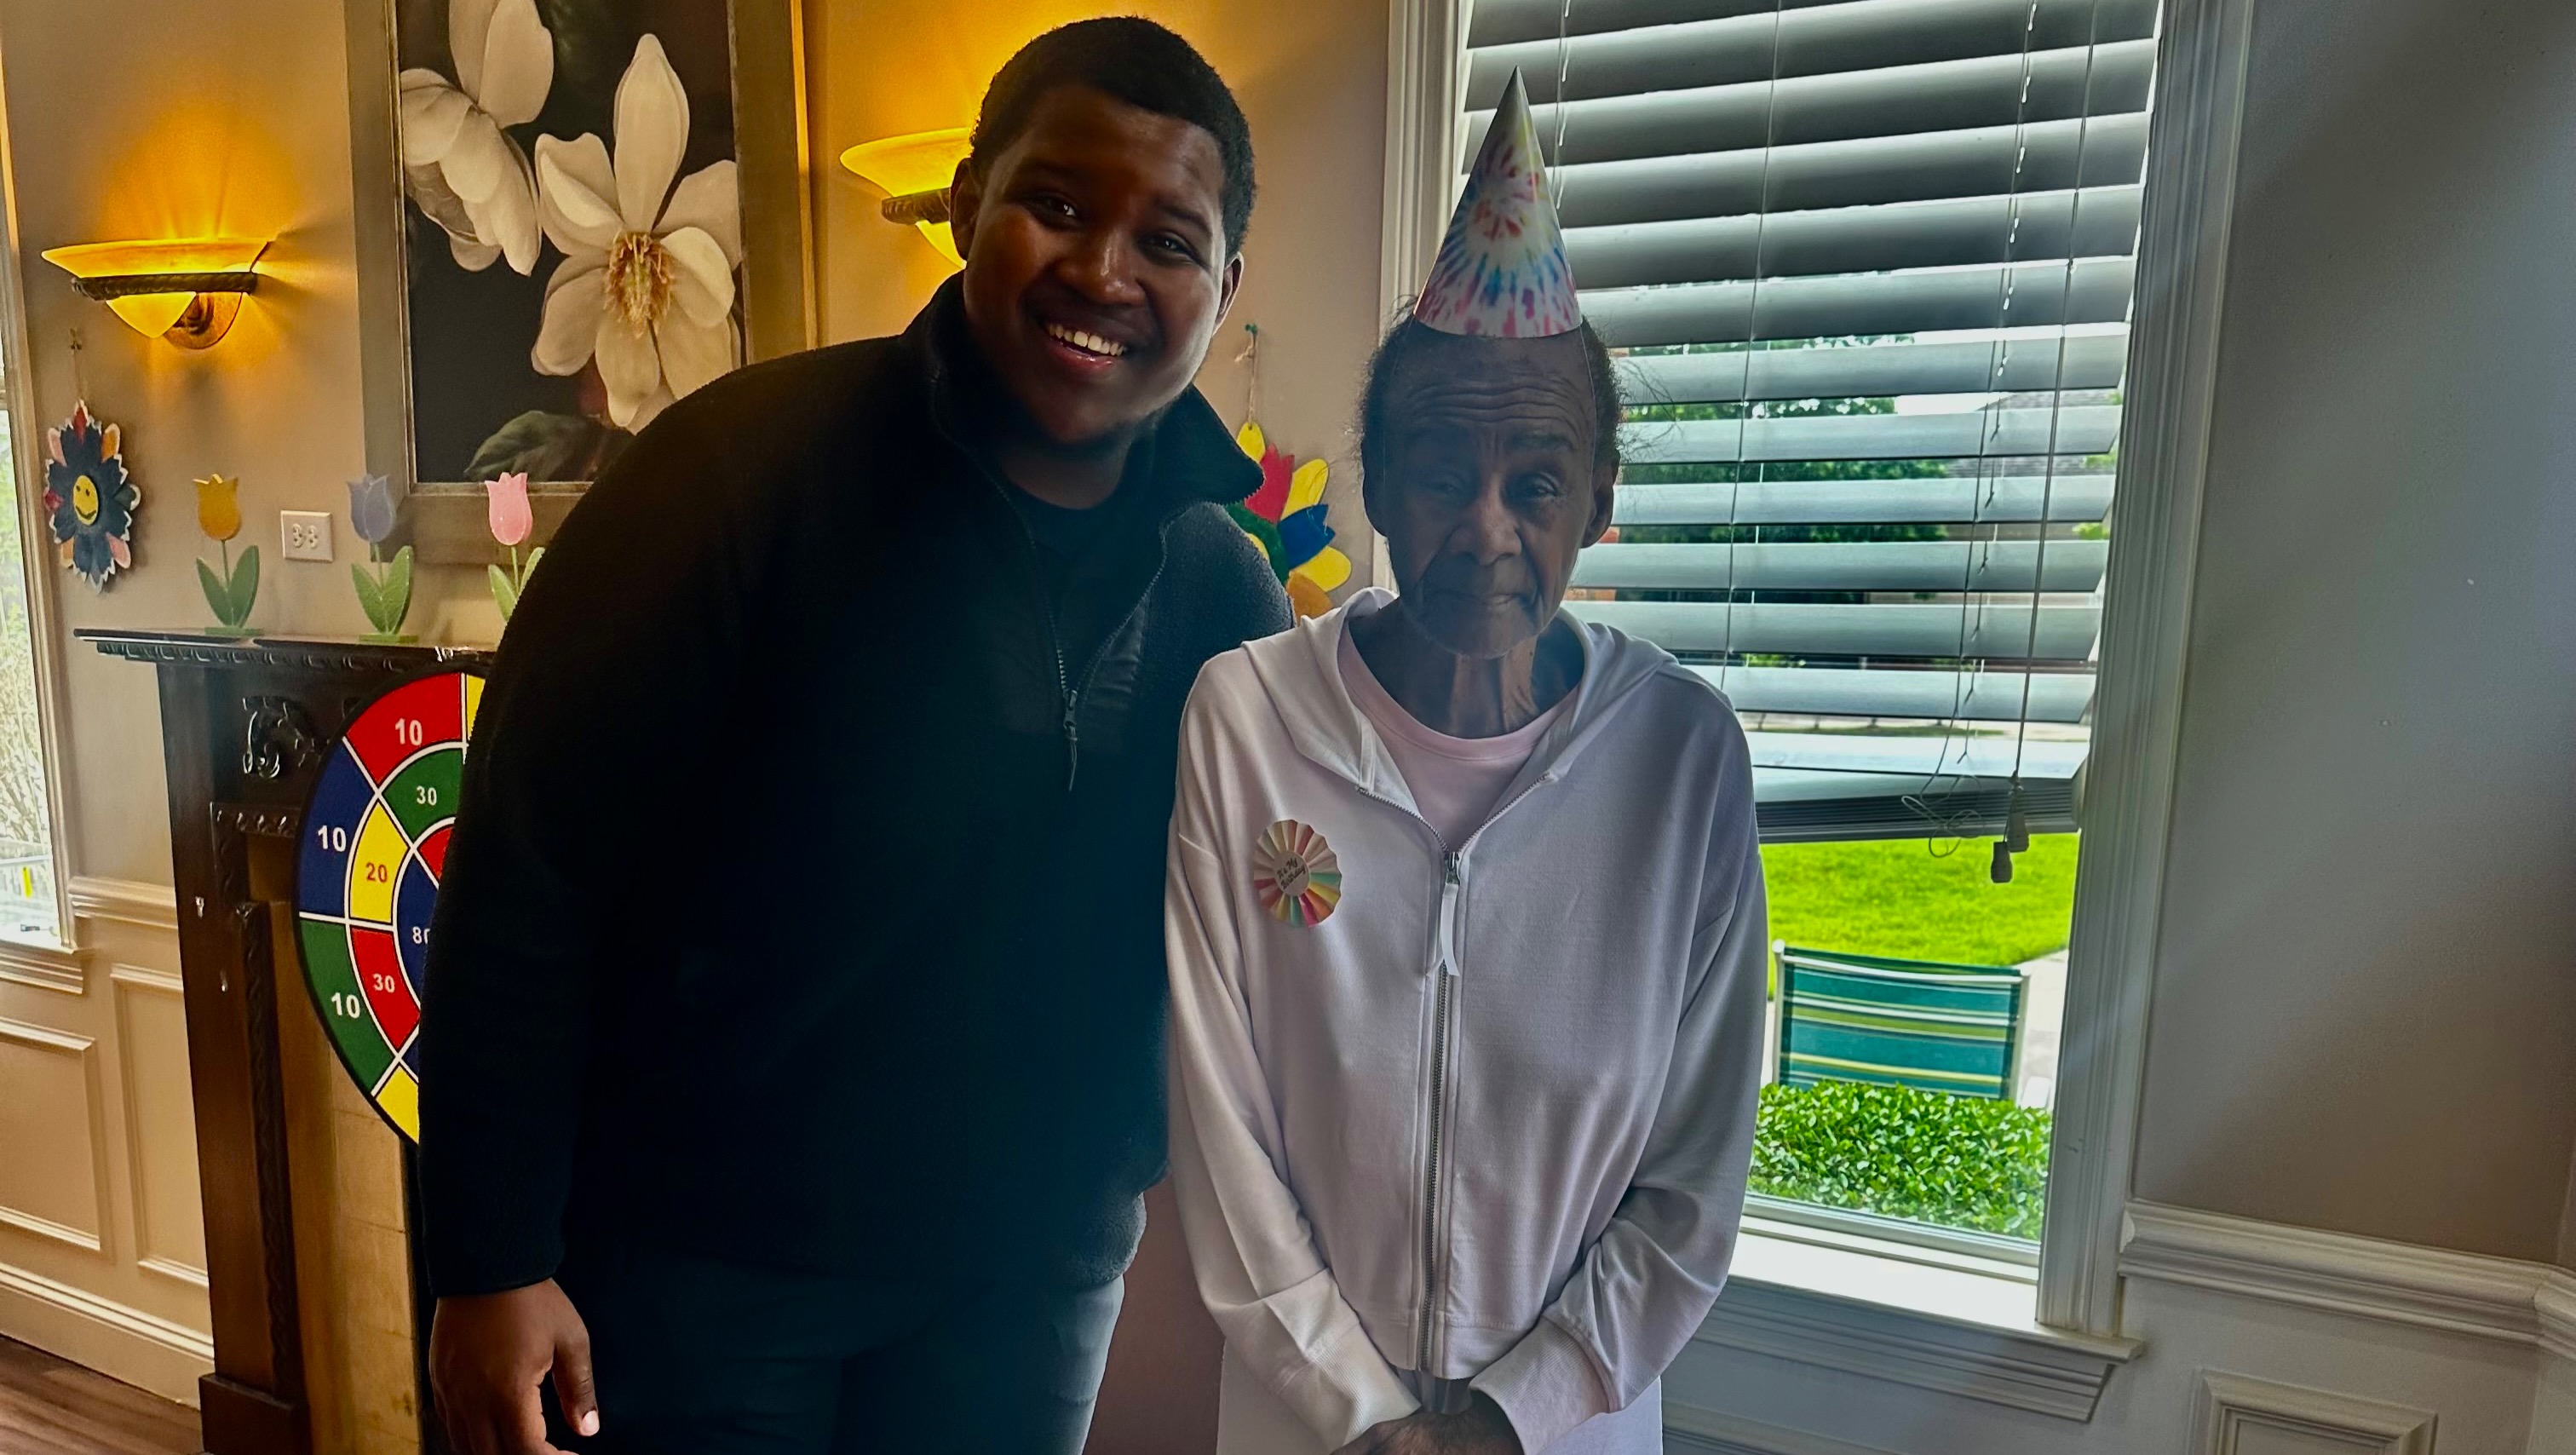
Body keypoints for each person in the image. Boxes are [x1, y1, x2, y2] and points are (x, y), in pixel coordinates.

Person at [418, 19, 1288, 1455]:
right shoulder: (733, 477)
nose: (1104, 271)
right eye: (1056, 203)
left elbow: (1288, 942)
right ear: (967, 203)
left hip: (1027, 1288)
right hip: (702, 1278)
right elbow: (527, 874)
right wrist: (489, 1259)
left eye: (1169, 241)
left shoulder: (1225, 594)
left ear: (1226, 285)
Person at [1162, 73, 1768, 1455]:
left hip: (1567, 1428)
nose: (1487, 528)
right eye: (1442, 473)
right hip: (1305, 1422)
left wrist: (1511, 1417)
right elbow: (1220, 1124)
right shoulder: (1245, 722)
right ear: (1378, 481)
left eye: (1535, 482)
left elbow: (1693, 1180)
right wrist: (1365, 1415)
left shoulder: (1681, 763)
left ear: (1598, 501)